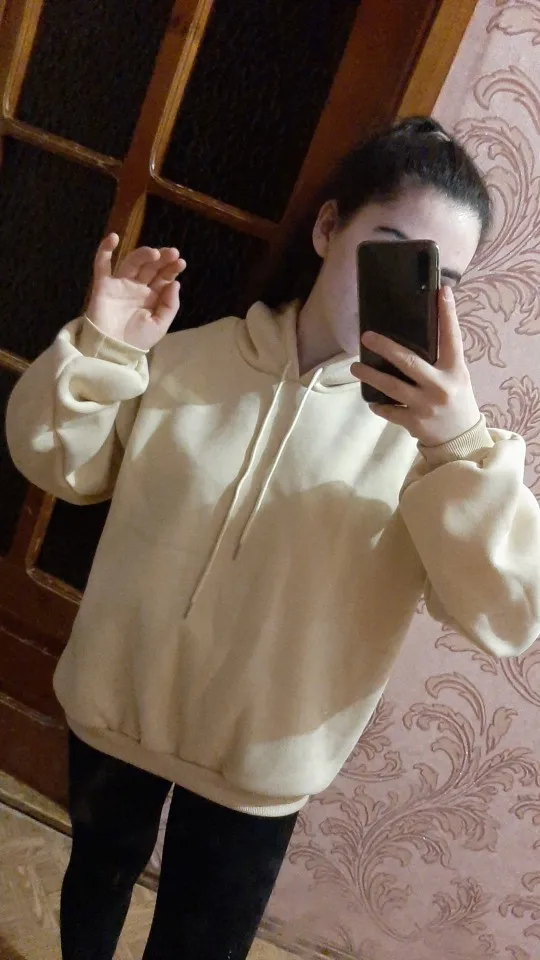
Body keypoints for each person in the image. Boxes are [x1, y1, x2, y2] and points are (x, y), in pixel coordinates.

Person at [6, 116, 540, 960]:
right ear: (328, 228)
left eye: (437, 278)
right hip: (114, 708)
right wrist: (103, 347)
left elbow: (510, 614)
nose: (406, 288)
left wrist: (459, 446)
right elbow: (56, 463)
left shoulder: (433, 448)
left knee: (202, 945)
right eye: (390, 251)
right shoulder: (187, 361)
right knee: (93, 886)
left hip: (261, 765)